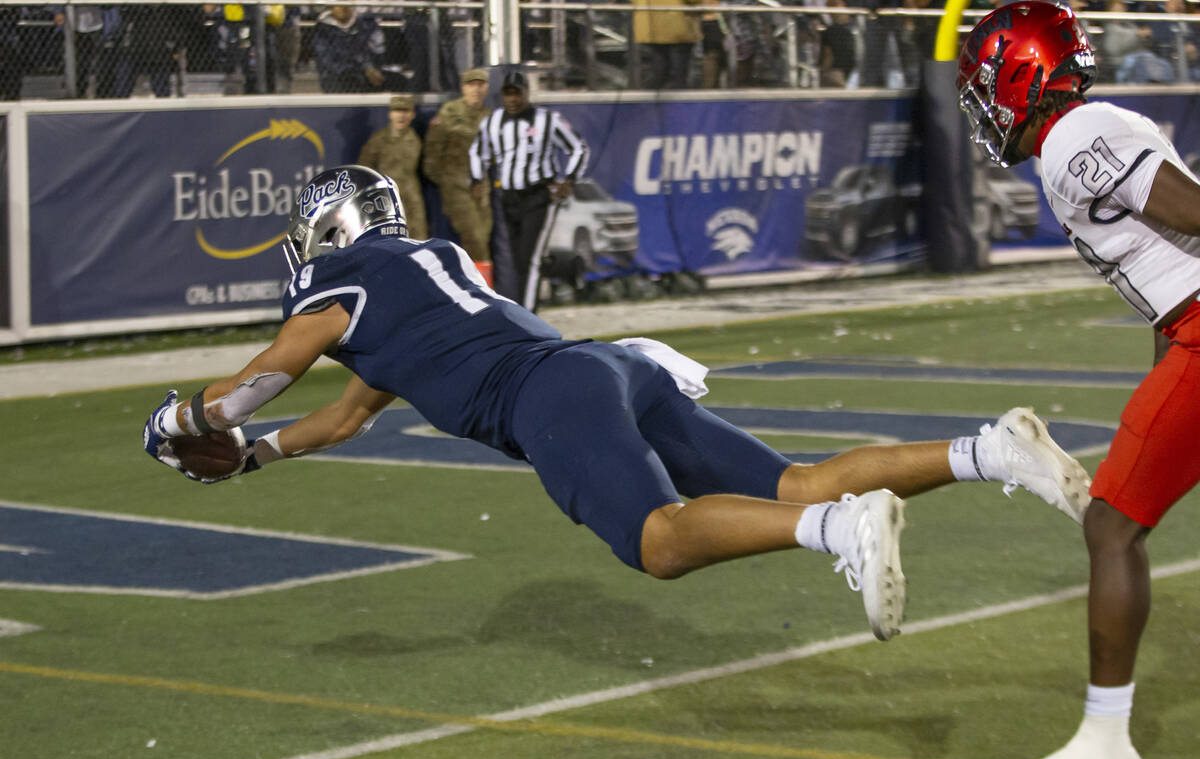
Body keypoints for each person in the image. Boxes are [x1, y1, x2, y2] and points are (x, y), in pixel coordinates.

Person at [142, 164, 1092, 646]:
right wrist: (260, 453)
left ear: (328, 232)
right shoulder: (415, 275)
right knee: (793, 475)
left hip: (547, 393)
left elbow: (269, 372)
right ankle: (991, 452)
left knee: (662, 543)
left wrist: (192, 419)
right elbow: (342, 416)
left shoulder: (338, 282)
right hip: (603, 366)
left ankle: (838, 532)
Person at [957, 3, 1200, 759]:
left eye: (988, 86)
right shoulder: (1083, 134)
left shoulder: (1073, 138)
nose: (984, 108)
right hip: (1189, 328)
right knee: (1117, 519)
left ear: (1023, 74)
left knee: (1112, 524)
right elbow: (1172, 266)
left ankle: (1105, 741)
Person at [468, 71, 589, 309]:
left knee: (530, 260)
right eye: (507, 94)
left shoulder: (548, 119)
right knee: (520, 261)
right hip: (509, 197)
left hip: (539, 195)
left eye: (517, 93)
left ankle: (528, 315)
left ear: (526, 93)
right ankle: (568, 267)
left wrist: (569, 180)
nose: (512, 99)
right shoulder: (492, 122)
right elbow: (477, 152)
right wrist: (476, 179)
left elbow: (578, 148)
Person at [423, 68, 493, 282]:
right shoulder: (449, 112)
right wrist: (447, 181)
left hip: (482, 186)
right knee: (474, 238)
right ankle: (483, 291)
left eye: (480, 84)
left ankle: (475, 287)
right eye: (471, 84)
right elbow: (433, 152)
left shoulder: (489, 116)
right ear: (463, 88)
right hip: (456, 185)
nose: (476, 89)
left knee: (483, 235)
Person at [357, 94, 428, 240]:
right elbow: (364, 170)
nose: (401, 116)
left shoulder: (416, 140)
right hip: (385, 200)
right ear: (390, 114)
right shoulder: (378, 140)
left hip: (412, 199)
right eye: (397, 111)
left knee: (418, 241)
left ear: (412, 114)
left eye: (405, 111)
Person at [311, 4, 384, 94]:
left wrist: (369, 68)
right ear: (331, 8)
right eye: (338, 5)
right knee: (348, 79)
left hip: (362, 72)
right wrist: (356, 70)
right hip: (336, 75)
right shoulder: (323, 29)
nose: (343, 8)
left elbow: (366, 52)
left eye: (346, 4)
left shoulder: (363, 24)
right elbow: (326, 60)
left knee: (397, 80)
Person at [632, 0, 702, 90]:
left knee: (659, 71)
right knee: (679, 76)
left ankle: (653, 101)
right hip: (678, 24)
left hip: (652, 26)